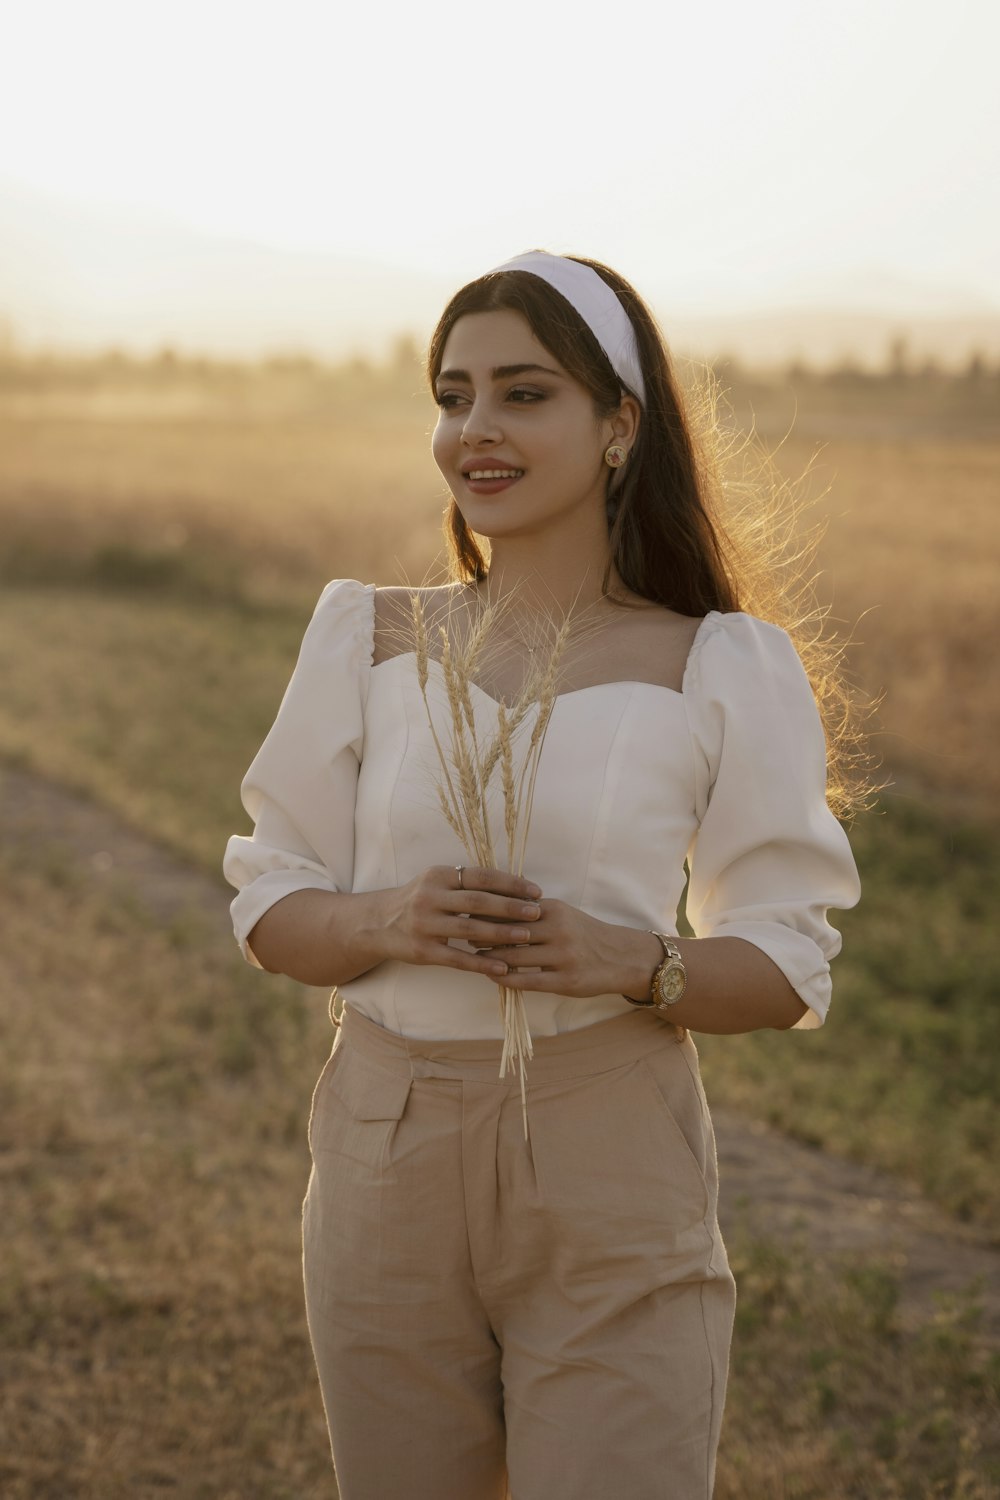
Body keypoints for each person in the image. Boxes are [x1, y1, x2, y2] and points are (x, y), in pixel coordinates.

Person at [223, 249, 863, 1500]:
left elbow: (787, 962)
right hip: (384, 1146)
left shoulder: (720, 664)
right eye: (452, 395)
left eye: (524, 393)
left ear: (619, 425)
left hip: (608, 1146)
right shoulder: (366, 635)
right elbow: (270, 902)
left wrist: (637, 960)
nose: (476, 430)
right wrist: (384, 916)